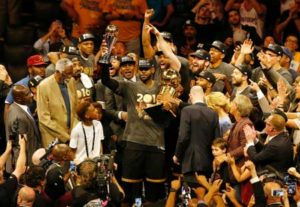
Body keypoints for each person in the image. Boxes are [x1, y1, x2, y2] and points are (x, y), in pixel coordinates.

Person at [173, 85, 220, 185]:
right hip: (208, 162)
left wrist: (177, 155)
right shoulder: (213, 113)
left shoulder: (187, 110)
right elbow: (217, 140)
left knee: (194, 196)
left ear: (190, 96)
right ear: (203, 96)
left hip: (191, 161)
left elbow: (183, 136)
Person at [37, 58, 78, 147]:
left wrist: (74, 132)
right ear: (58, 72)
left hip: (72, 134)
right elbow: (44, 118)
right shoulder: (43, 86)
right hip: (53, 137)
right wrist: (65, 136)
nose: (70, 76)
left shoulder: (71, 81)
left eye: (71, 73)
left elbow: (75, 109)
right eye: (67, 74)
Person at [6, 85, 41, 166]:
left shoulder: (15, 107)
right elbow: (19, 145)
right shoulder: (19, 117)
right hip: (27, 161)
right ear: (19, 98)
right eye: (27, 94)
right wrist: (22, 166)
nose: (31, 95)